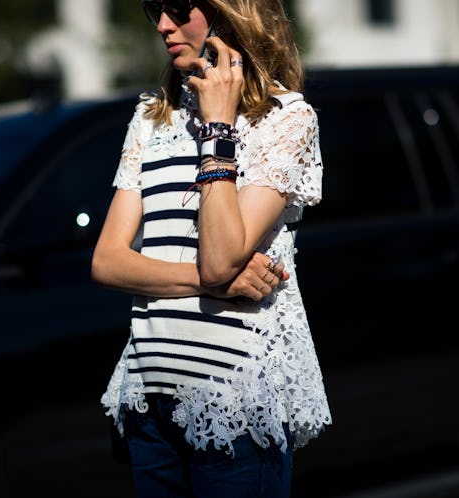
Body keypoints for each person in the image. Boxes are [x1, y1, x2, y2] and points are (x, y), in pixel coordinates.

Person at [91, 0, 331, 496]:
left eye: (177, 7)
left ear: (229, 11)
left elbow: (222, 254)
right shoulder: (150, 117)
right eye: (152, 8)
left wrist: (218, 129)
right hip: (149, 396)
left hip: (234, 404)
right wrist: (210, 284)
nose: (162, 25)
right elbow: (108, 261)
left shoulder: (285, 119)